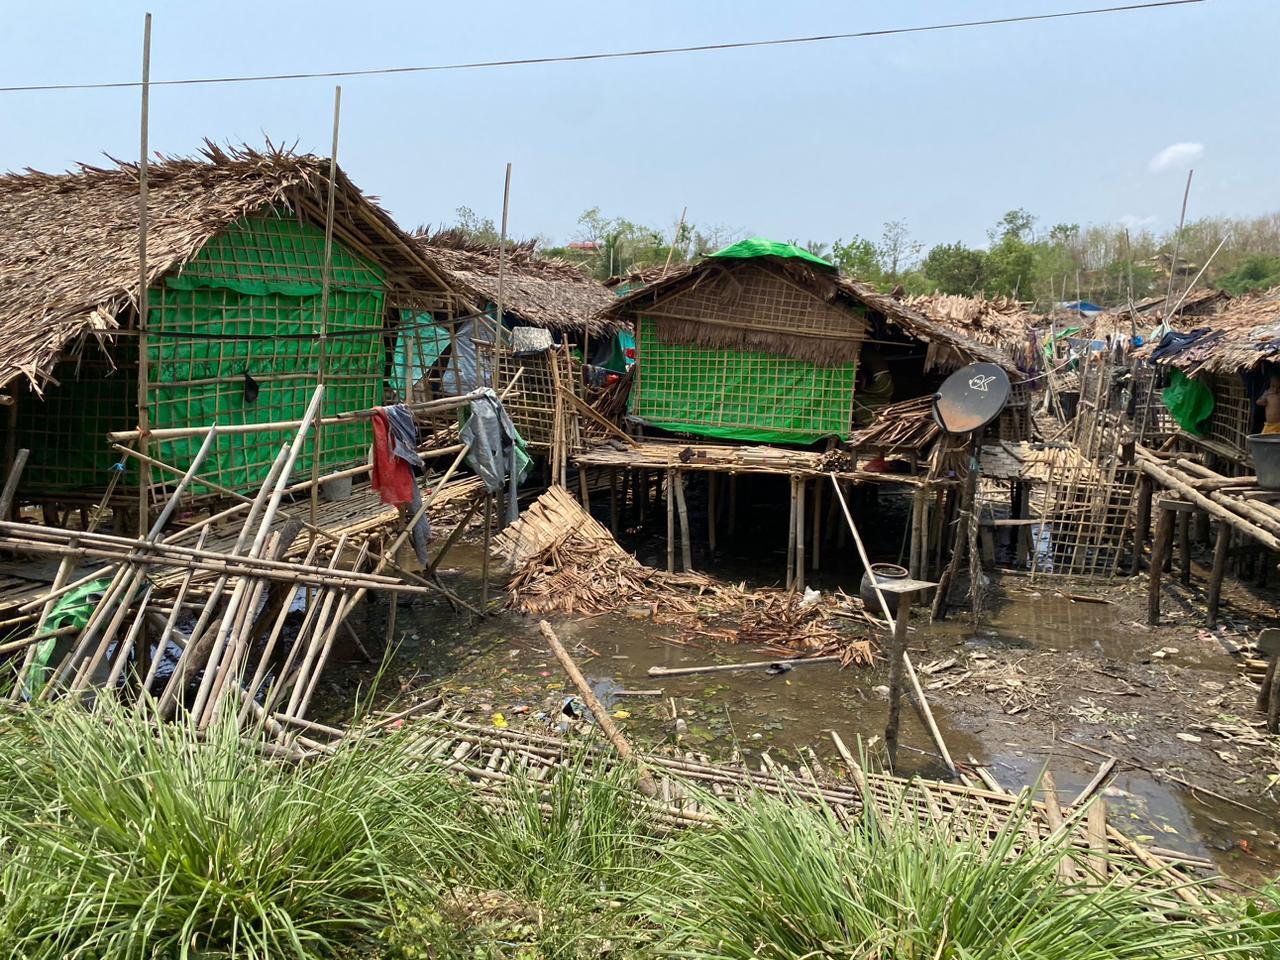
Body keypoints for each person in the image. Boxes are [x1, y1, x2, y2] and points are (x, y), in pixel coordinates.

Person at [852, 349, 894, 427]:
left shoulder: (883, 386)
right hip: (861, 431)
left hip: (878, 429)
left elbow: (877, 362)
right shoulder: (849, 393)